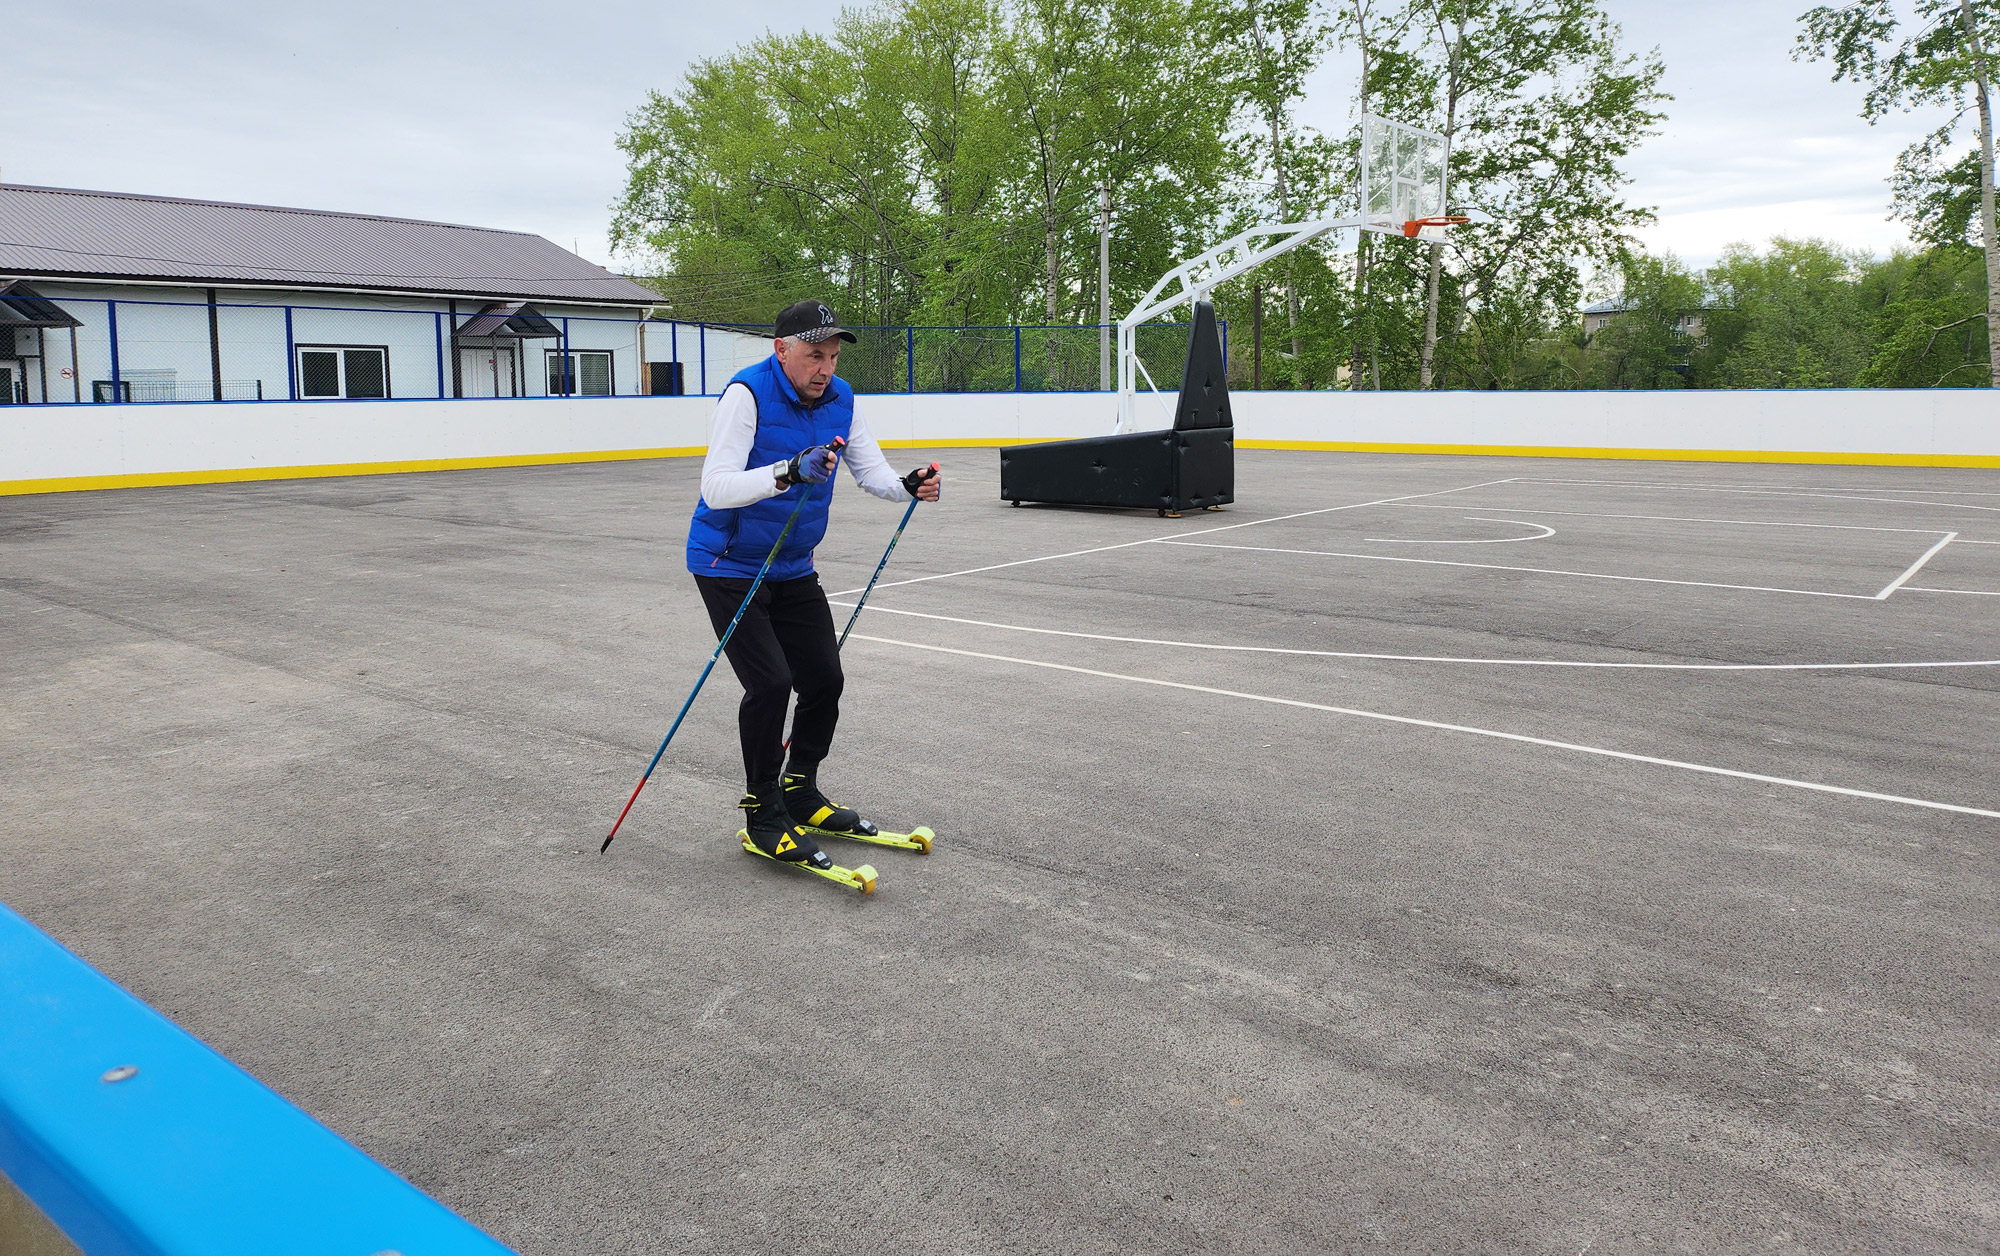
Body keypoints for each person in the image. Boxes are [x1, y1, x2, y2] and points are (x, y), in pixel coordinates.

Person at [687, 299, 942, 871]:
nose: (824, 367)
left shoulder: (843, 399)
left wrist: (907, 486)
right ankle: (763, 813)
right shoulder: (746, 396)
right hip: (728, 564)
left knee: (824, 678)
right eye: (812, 355)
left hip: (793, 564)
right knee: (772, 684)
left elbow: (870, 471)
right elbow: (716, 489)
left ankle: (800, 791)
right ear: (782, 351)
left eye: (831, 356)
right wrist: (787, 471)